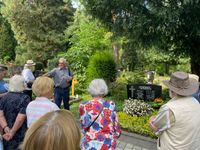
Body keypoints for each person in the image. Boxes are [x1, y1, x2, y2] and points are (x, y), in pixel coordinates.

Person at [149, 71, 200, 150]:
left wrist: (151, 119)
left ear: (172, 90)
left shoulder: (169, 108)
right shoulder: (196, 102)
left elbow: (156, 127)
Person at [79, 79, 121, 150]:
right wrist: (116, 134)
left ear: (90, 89)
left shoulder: (83, 105)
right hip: (108, 144)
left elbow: (83, 126)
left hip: (89, 143)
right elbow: (116, 127)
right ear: (104, 89)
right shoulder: (110, 104)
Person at [0, 75, 31, 150]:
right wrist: (12, 132)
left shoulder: (4, 97)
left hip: (6, 132)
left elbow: (0, 115)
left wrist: (5, 127)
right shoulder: (25, 98)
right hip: (19, 132)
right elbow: (20, 118)